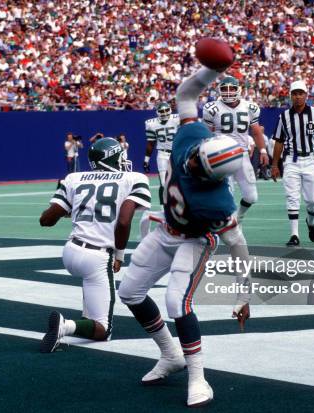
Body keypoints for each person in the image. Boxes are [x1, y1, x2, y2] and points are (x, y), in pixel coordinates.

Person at [118, 59, 251, 407]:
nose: (190, 164)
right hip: (166, 228)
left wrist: (244, 293)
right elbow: (186, 92)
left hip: (195, 240)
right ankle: (170, 355)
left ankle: (198, 378)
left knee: (177, 302)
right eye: (196, 158)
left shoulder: (217, 202)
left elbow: (238, 245)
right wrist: (212, 69)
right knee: (129, 292)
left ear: (214, 177)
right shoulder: (192, 137)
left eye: (198, 167)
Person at [39, 138, 151, 352]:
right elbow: (124, 220)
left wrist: (71, 209)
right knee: (104, 330)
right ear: (112, 157)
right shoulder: (133, 178)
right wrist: (120, 254)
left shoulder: (74, 178)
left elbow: (46, 220)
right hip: (97, 257)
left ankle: (86, 319)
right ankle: (66, 325)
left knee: (91, 305)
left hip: (70, 251)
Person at [271, 80, 314, 247]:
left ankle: (311, 223)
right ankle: (294, 235)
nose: (297, 97)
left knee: (313, 202)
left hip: (311, 159)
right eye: (294, 93)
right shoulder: (284, 116)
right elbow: (278, 141)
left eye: (300, 93)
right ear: (290, 96)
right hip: (291, 159)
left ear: (306, 95)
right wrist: (275, 164)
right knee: (292, 198)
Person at [202, 76, 269, 222]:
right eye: (224, 89)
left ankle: (239, 216)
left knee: (251, 196)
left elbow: (256, 131)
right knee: (227, 195)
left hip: (242, 154)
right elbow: (206, 134)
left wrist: (263, 150)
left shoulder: (250, 107)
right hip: (220, 156)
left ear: (238, 89)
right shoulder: (211, 108)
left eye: (231, 88)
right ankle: (227, 224)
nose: (228, 92)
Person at [144, 102, 180, 205]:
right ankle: (164, 209)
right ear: (157, 112)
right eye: (161, 111)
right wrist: (146, 160)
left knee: (181, 181)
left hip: (177, 153)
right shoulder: (151, 124)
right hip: (162, 154)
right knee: (164, 184)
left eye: (166, 110)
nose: (164, 113)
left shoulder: (177, 118)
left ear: (170, 110)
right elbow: (151, 143)